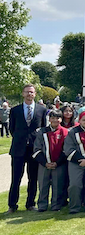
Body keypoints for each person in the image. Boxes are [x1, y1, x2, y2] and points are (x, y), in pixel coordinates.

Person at [7, 84, 47, 213]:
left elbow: (42, 129)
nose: (30, 94)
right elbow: (12, 129)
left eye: (32, 92)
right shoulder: (15, 110)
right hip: (18, 149)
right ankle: (12, 205)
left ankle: (30, 204)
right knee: (16, 178)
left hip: (34, 150)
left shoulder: (41, 110)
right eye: (27, 92)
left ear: (35, 94)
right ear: (23, 94)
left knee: (33, 178)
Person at [32, 109, 69, 212]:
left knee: (58, 185)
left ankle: (56, 205)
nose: (55, 120)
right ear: (49, 119)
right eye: (53, 118)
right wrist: (45, 163)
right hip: (44, 164)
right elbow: (36, 149)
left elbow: (66, 150)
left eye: (57, 118)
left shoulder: (65, 132)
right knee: (43, 185)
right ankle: (42, 205)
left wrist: (57, 163)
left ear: (61, 119)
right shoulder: (42, 132)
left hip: (59, 164)